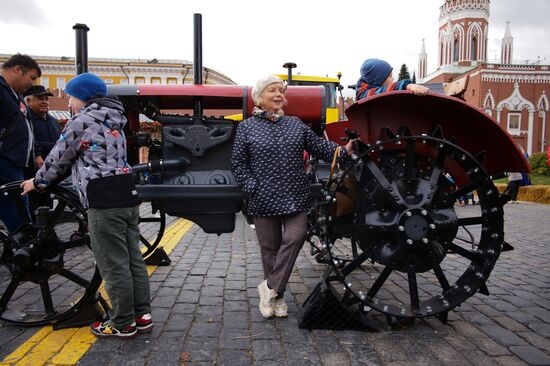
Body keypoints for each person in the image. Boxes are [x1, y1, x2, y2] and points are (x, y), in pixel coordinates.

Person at [21, 73, 151, 339]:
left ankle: (123, 322)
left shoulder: (82, 121)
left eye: (71, 95)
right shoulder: (116, 118)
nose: (68, 101)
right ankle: (142, 315)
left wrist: (38, 181)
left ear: (83, 97)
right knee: (132, 259)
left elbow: (60, 157)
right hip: (126, 193)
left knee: (112, 263)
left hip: (102, 199)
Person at [231, 75, 354, 318]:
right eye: (272, 91)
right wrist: (251, 185)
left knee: (296, 237)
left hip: (295, 194)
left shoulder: (295, 124)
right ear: (260, 97)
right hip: (263, 197)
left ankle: (269, 288)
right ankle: (276, 299)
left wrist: (343, 149)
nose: (278, 95)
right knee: (270, 248)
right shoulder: (246, 127)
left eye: (281, 91)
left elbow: (320, 147)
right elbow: (238, 164)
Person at [0, 54, 41, 233]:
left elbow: (26, 129)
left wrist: (36, 153)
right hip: (5, 160)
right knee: (17, 211)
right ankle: (22, 248)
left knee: (18, 208)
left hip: (14, 160)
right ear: (17, 69)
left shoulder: (14, 94)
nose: (32, 84)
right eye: (31, 78)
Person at [23, 85, 62, 212]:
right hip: (31, 171)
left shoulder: (52, 120)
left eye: (46, 99)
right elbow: (26, 139)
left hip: (50, 171)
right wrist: (38, 153)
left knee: (46, 208)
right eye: (40, 98)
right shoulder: (24, 119)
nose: (45, 102)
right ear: (28, 101)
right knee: (32, 207)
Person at [356, 58, 429, 100]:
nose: (393, 78)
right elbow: (382, 91)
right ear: (378, 80)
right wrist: (408, 86)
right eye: (390, 76)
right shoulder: (364, 94)